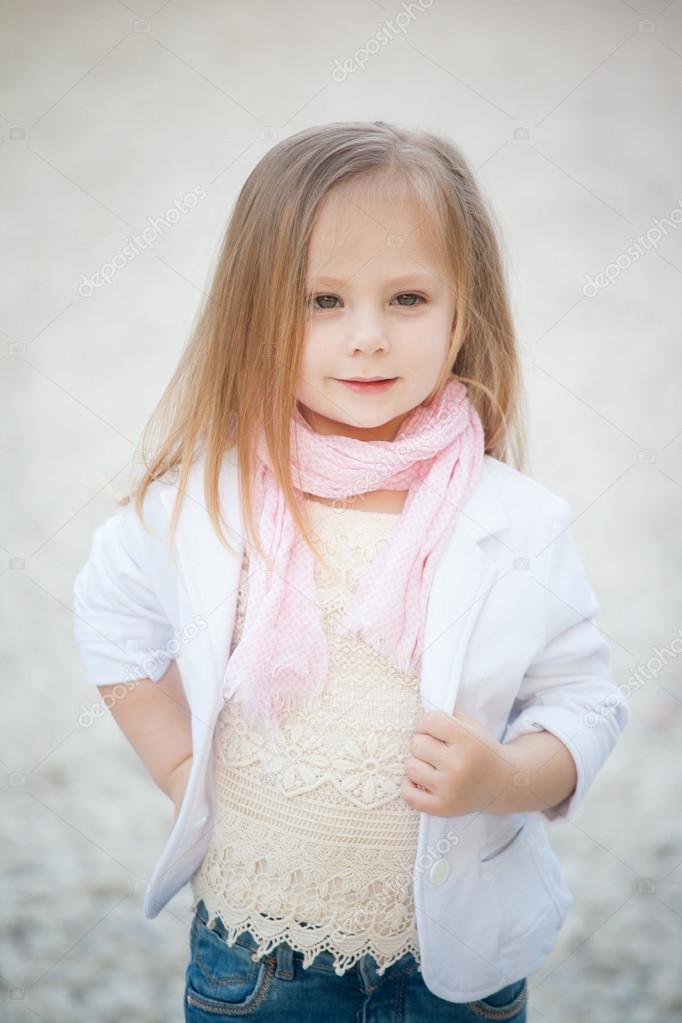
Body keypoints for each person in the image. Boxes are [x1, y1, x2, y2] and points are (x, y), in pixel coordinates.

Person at [72, 121, 629, 1022]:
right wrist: (185, 769)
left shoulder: (516, 519)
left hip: (454, 973)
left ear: (463, 314)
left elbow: (588, 699)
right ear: (254, 311)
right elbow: (110, 619)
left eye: (407, 297)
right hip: (257, 963)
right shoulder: (207, 500)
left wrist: (506, 777)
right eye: (322, 300)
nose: (366, 337)